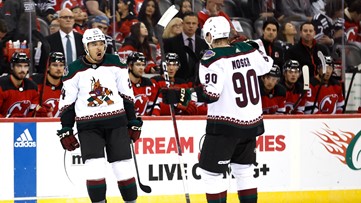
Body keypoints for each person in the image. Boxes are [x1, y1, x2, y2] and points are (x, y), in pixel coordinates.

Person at [161, 16, 273, 203]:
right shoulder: (249, 51)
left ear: (210, 36)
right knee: (244, 171)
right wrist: (252, 43)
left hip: (225, 126)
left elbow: (211, 94)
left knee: (210, 174)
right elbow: (267, 63)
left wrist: (183, 95)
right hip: (251, 124)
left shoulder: (212, 59)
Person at [57, 28, 142, 203]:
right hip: (89, 127)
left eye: (101, 43)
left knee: (123, 168)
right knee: (94, 169)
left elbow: (126, 94)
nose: (99, 48)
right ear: (86, 47)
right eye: (94, 44)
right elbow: (68, 104)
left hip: (117, 123)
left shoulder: (116, 63)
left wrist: (133, 120)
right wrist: (66, 128)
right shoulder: (73, 70)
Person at [164, 12, 208, 84]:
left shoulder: (204, 44)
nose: (191, 26)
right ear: (182, 24)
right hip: (176, 84)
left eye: (193, 23)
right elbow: (165, 63)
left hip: (197, 84)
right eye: (188, 23)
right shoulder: (170, 42)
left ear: (197, 25)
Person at [0, 52, 42, 117]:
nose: (22, 70)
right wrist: (8, 122)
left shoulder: (33, 87)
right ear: (12, 66)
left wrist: (39, 113)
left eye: (25, 66)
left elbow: (32, 113)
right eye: (19, 66)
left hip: (25, 126)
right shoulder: (2, 85)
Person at [31, 52, 65, 117]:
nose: (58, 68)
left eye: (61, 65)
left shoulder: (68, 84)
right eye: (55, 65)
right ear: (48, 67)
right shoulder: (35, 82)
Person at [127, 51, 156, 116]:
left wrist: (154, 118)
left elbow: (154, 105)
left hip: (146, 122)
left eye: (143, 65)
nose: (141, 68)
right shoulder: (121, 83)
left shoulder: (148, 83)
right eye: (138, 64)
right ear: (130, 66)